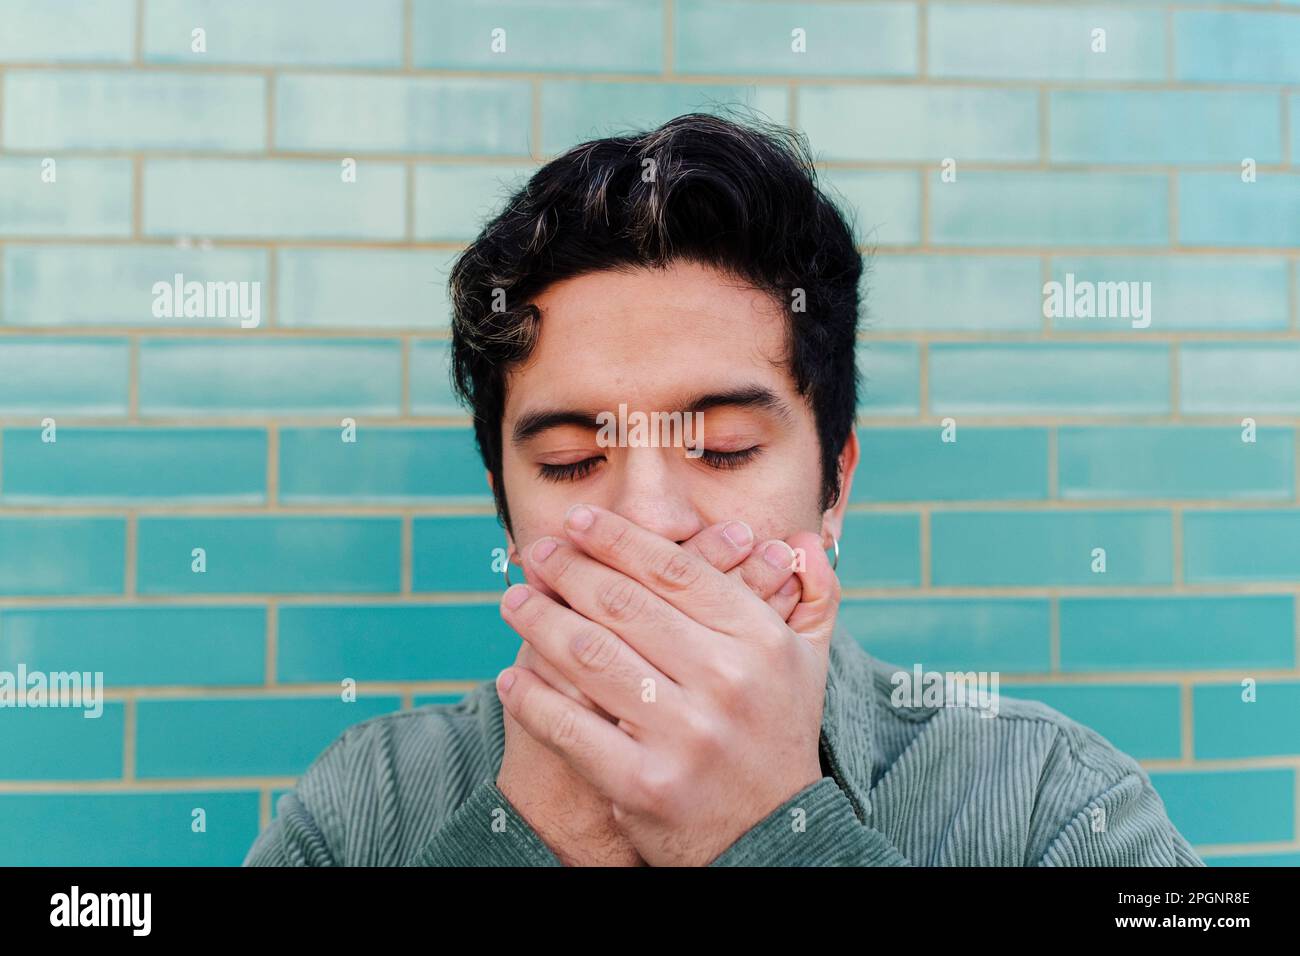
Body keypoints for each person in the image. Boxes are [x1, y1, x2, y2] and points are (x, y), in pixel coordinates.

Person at [244, 110, 1203, 867]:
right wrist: (543, 836)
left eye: (726, 446)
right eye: (574, 460)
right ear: (506, 508)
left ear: (835, 484)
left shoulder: (1051, 803)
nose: (649, 519)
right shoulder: (364, 808)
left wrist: (773, 833)